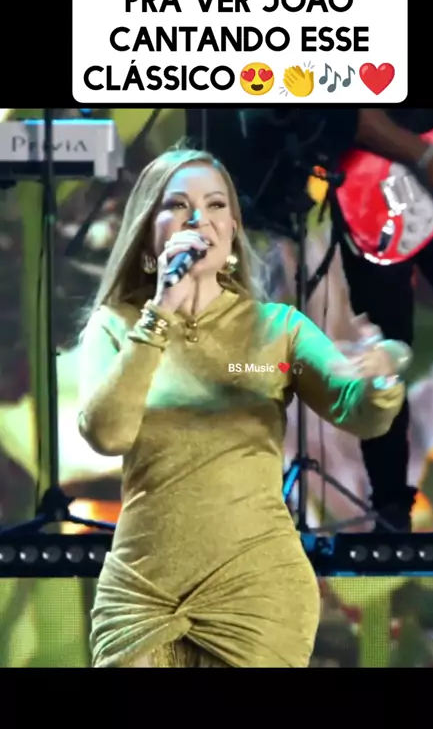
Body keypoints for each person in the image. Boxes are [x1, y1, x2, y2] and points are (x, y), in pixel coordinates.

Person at [77, 145, 406, 669]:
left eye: (215, 205)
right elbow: (106, 432)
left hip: (257, 588)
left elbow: (357, 410)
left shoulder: (278, 328)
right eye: (178, 206)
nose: (198, 219)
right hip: (143, 588)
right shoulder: (116, 325)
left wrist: (379, 378)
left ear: (232, 229)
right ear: (147, 229)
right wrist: (160, 313)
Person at [236, 105, 433, 533]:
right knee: (383, 349)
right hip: (379, 182)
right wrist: (425, 157)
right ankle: (389, 512)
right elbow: (347, 110)